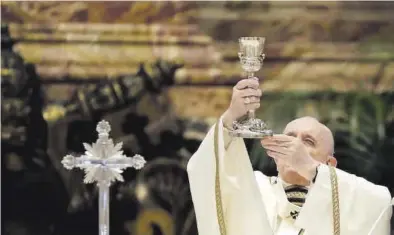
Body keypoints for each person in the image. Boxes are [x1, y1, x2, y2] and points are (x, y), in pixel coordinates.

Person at [187, 78, 393, 235]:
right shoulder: (253, 186)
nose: (295, 146)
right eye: (289, 138)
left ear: (329, 163)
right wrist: (231, 116)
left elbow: (380, 202)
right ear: (274, 154)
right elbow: (204, 171)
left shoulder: (348, 196)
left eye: (308, 142)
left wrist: (311, 170)